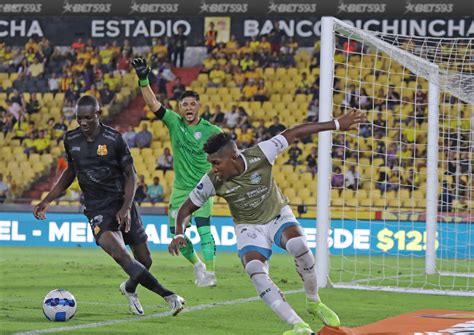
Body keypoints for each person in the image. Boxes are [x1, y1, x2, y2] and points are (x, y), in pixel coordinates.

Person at [169, 109, 364, 335]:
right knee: (254, 269)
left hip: (276, 214)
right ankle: (298, 325)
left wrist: (337, 124)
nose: (213, 168)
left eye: (216, 163)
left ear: (232, 157)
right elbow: (185, 208)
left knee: (299, 246)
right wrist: (179, 233)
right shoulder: (212, 180)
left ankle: (314, 302)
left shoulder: (260, 153)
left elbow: (294, 132)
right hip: (248, 227)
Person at [33, 95, 185, 317]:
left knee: (145, 260)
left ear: (98, 114)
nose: (82, 123)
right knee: (120, 253)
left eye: (87, 118)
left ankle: (129, 288)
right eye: (78, 118)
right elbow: (71, 172)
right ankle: (169, 296)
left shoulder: (114, 139)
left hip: (122, 202)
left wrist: (125, 207)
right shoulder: (71, 139)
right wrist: (47, 199)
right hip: (97, 208)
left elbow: (131, 175)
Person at [133, 58, 222, 287]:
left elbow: (228, 156)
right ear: (180, 108)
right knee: (176, 234)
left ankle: (210, 274)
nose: (189, 108)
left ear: (198, 107)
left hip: (203, 187)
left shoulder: (212, 131)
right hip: (181, 189)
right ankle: (198, 265)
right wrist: (144, 79)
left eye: (193, 104)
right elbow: (153, 103)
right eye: (185, 105)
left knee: (204, 230)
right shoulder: (174, 123)